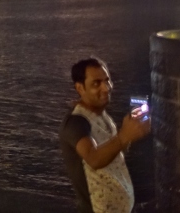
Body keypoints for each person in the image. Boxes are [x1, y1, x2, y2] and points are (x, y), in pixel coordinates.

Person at [60, 56, 150, 213]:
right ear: (80, 88)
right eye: (96, 83)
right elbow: (94, 159)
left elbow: (114, 155)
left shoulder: (102, 115)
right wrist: (124, 135)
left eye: (107, 81)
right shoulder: (76, 123)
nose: (106, 88)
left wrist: (131, 133)